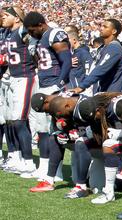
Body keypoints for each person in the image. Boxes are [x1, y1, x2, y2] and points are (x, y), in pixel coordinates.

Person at [24, 11, 71, 182]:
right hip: (43, 84)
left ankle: (56, 171)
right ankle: (44, 167)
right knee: (43, 129)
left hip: (54, 84)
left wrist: (60, 84)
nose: (30, 34)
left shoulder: (54, 34)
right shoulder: (40, 38)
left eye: (31, 30)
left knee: (55, 130)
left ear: (40, 25)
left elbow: (66, 60)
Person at [1, 7, 37, 176]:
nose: (3, 18)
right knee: (11, 121)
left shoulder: (22, 30)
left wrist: (18, 9)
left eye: (6, 15)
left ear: (16, 19)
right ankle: (18, 157)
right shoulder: (8, 33)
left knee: (20, 120)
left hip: (25, 77)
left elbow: (31, 23)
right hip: (13, 78)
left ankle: (28, 162)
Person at [71, 19, 122, 94]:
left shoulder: (114, 48)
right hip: (102, 91)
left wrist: (82, 86)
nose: (101, 28)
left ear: (114, 31)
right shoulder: (104, 47)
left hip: (112, 94)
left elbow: (101, 69)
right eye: (101, 26)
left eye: (105, 27)